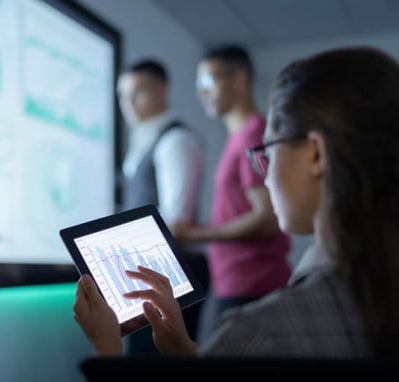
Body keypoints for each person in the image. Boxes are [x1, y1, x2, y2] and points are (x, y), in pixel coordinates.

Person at [73, 46, 399, 359]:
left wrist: (107, 348)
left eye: (268, 152)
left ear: (315, 154)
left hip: (247, 279)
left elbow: (263, 218)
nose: (266, 175)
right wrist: (185, 349)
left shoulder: (258, 332)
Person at [172, 44, 291, 343]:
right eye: (198, 86)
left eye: (208, 83)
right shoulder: (241, 137)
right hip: (235, 282)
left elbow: (267, 218)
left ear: (237, 80)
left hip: (252, 284)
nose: (201, 93)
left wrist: (193, 235)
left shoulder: (253, 136)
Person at [115, 59, 207, 355]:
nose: (127, 102)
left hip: (172, 278)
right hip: (150, 276)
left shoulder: (176, 140)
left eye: (137, 92)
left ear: (161, 91)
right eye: (122, 94)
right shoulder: (143, 141)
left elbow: (175, 221)